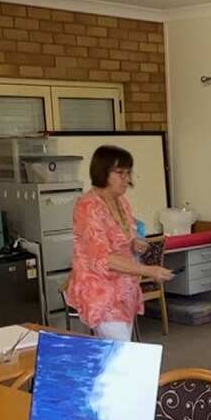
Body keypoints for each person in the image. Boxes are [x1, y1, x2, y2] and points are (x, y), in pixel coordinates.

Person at [64, 144, 172, 341]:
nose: (126, 179)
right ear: (102, 172)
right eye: (120, 172)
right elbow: (103, 259)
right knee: (120, 354)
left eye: (128, 172)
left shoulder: (121, 202)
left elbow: (125, 237)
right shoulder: (88, 207)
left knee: (117, 353)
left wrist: (134, 243)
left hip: (125, 290)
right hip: (102, 294)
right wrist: (150, 271)